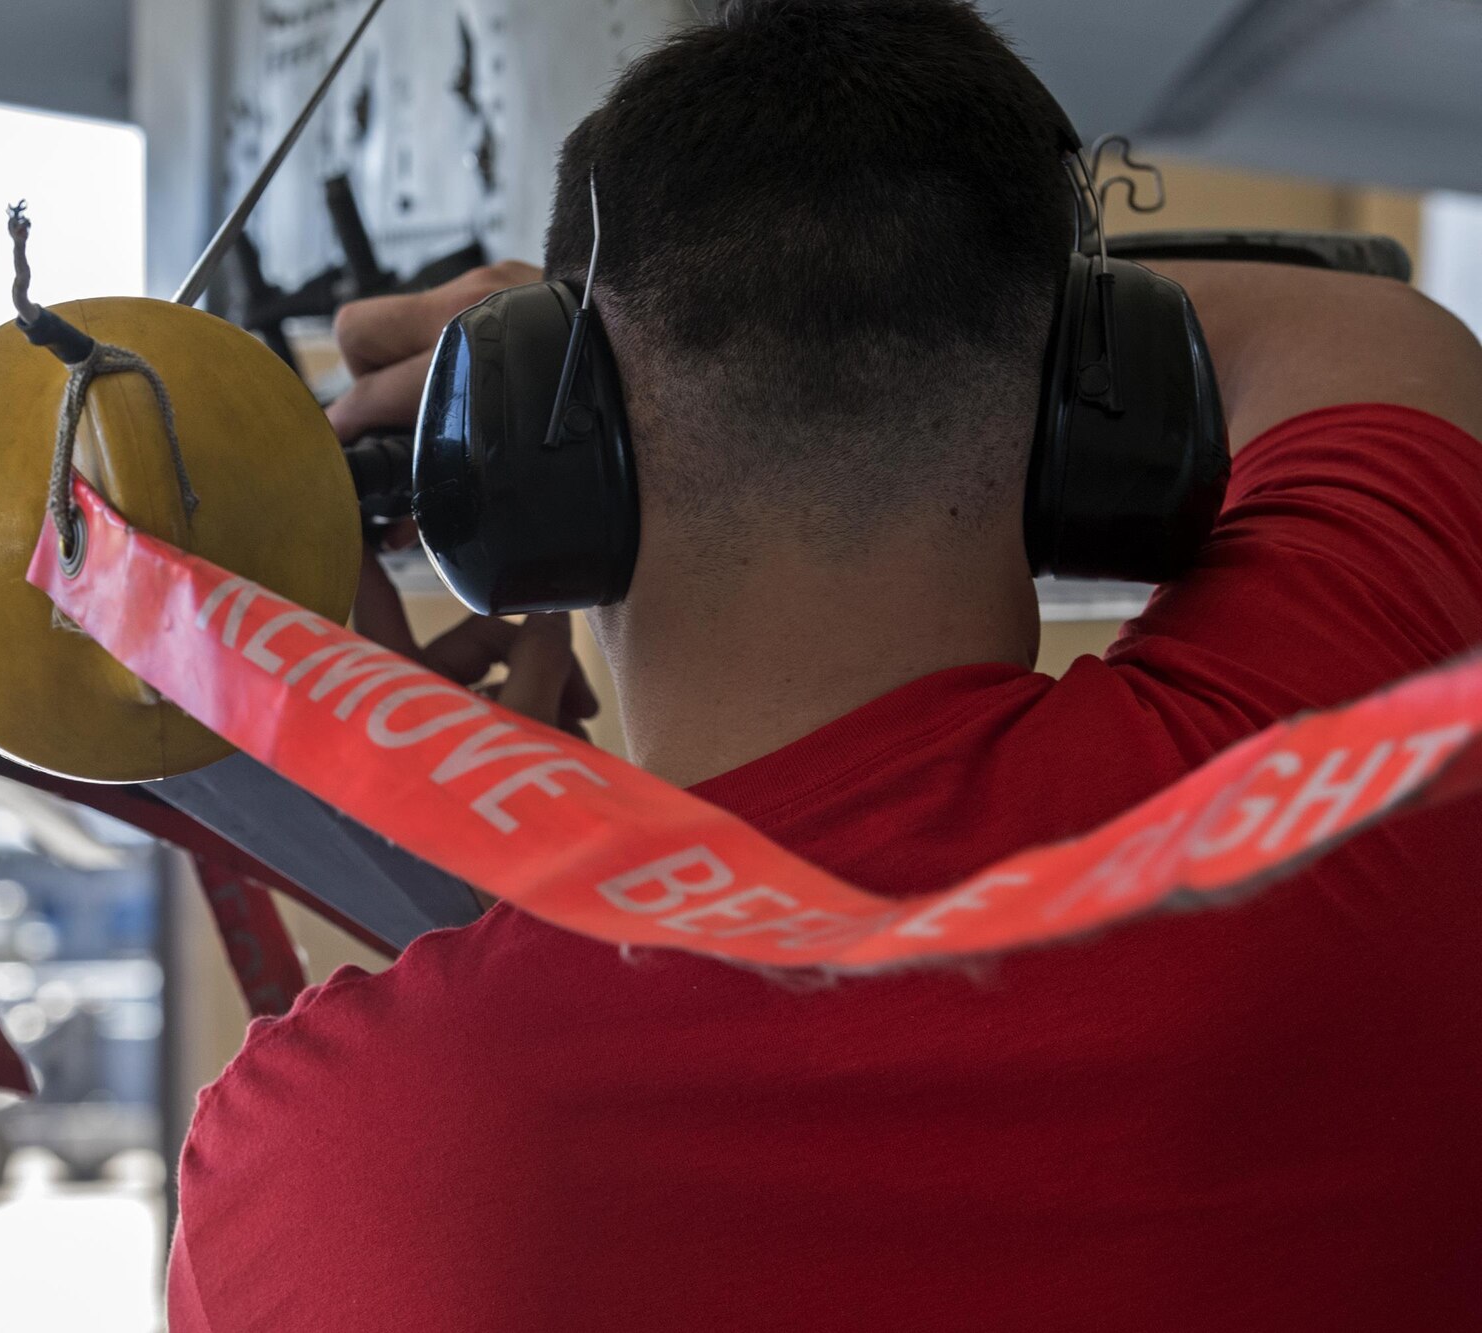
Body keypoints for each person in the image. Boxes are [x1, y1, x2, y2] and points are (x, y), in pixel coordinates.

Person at [169, 2, 1482, 1327]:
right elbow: (1377, 340)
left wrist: (591, 350)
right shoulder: (1344, 776)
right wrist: (989, 302)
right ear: (1088, 395)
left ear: (536, 454)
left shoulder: (328, 1148)